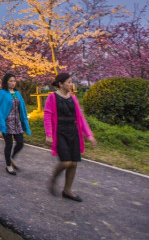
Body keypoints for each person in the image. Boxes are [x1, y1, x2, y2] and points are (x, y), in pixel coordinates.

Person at [44, 72, 97, 202]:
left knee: (73, 162)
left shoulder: (73, 98)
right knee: (66, 162)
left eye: (71, 81)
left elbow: (80, 118)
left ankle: (67, 190)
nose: (71, 84)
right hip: (60, 132)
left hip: (73, 132)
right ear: (60, 84)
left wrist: (89, 135)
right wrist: (49, 135)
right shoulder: (52, 98)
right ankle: (54, 178)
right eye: (68, 82)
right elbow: (47, 117)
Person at [0, 73, 31, 176]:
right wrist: (0, 119)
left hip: (17, 122)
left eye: (14, 81)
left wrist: (24, 119)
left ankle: (12, 157)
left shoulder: (17, 93)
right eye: (11, 81)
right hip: (6, 122)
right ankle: (8, 165)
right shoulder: (1, 93)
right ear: (6, 82)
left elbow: (22, 107)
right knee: (9, 144)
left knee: (20, 142)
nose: (13, 83)